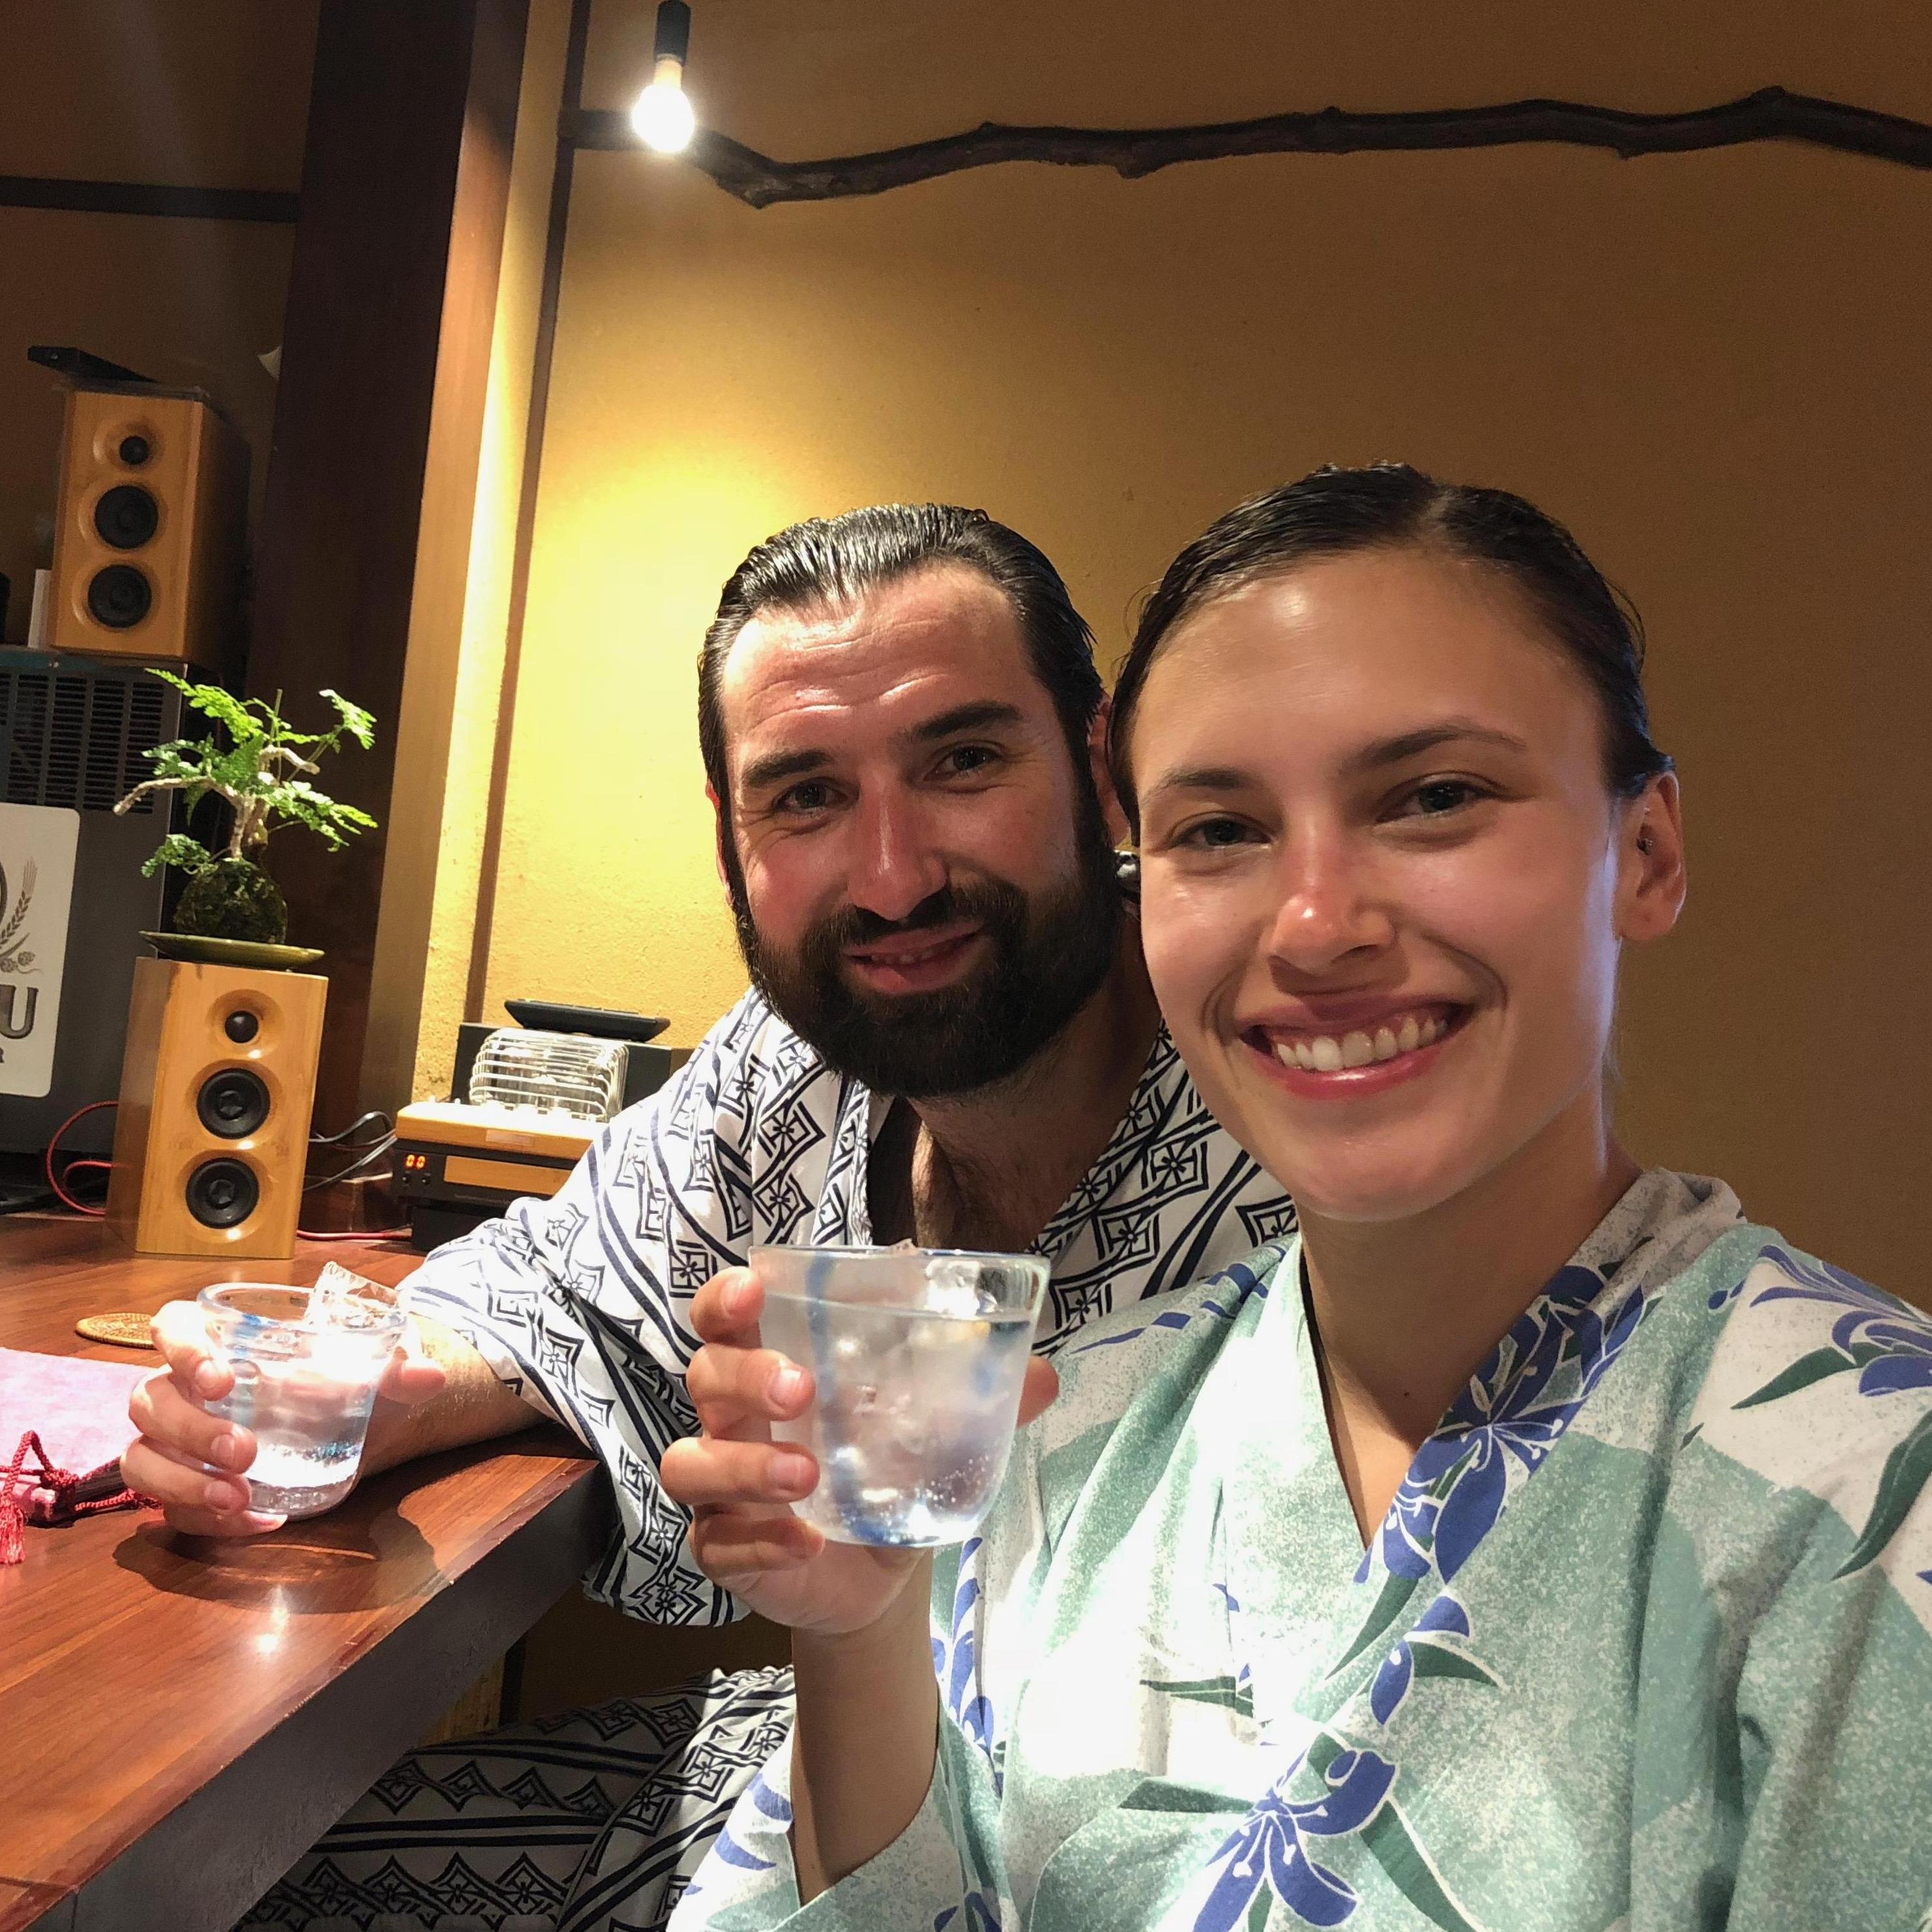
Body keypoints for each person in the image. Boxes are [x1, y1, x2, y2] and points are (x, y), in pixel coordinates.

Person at [672, 465, 1932, 1931]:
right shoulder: (1062, 1444)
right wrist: (862, 1635)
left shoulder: (1865, 1491)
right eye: (1219, 830)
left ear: (1642, 852)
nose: (1317, 925)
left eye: (1434, 799)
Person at [123, 506, 1296, 1931]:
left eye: (963, 761)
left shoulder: (1282, 1076)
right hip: (818, 1768)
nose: (892, 875)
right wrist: (377, 1390)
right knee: (225, 1888)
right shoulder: (796, 1060)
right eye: (804, 795)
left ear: (1101, 768)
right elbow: (559, 1284)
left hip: (1212, 1853)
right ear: (731, 836)